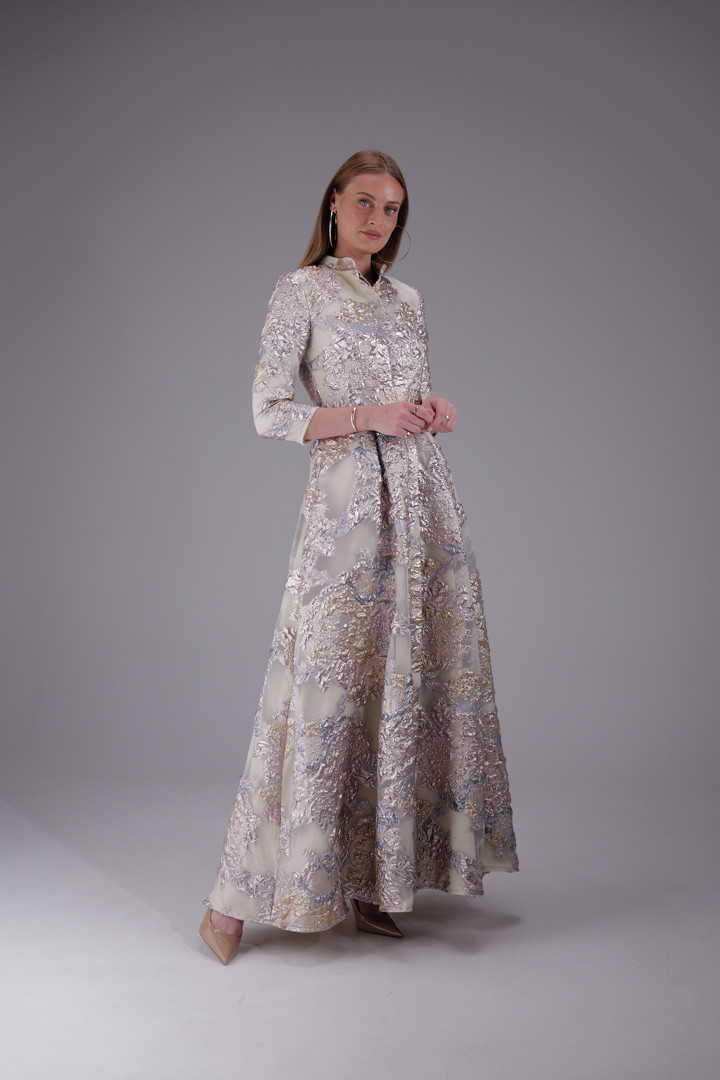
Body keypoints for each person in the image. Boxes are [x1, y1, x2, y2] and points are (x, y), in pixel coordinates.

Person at [199, 150, 519, 964]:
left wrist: (430, 407)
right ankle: (232, 901)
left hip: (423, 506)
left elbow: (408, 392)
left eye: (393, 208)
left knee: (404, 683)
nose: (380, 219)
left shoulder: (409, 300)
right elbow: (269, 410)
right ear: (335, 204)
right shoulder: (299, 290)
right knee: (322, 686)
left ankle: (379, 881)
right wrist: (367, 415)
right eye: (367, 202)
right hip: (345, 511)